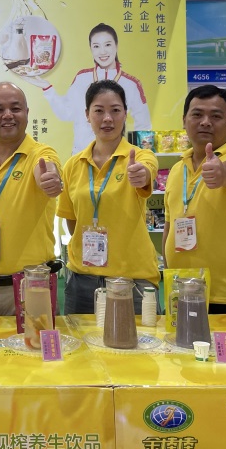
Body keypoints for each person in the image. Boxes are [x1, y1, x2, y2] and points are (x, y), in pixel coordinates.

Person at [0, 82, 63, 316]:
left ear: (27, 113)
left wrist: (50, 179)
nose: (7, 115)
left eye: (15, 108)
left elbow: (48, 169)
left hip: (30, 287)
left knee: (35, 341)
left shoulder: (41, 154)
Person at [58, 80, 158, 314]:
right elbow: (71, 220)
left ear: (125, 113)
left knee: (136, 339)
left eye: (115, 110)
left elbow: (147, 170)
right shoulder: (73, 165)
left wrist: (141, 174)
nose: (107, 119)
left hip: (131, 279)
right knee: (81, 338)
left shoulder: (140, 157)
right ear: (87, 115)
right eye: (99, 111)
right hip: (82, 280)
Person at [163, 85, 226, 313]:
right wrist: (168, 277)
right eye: (197, 114)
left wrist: (222, 172)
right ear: (184, 121)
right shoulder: (177, 169)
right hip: (180, 292)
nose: (206, 122)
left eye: (216, 116)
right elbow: (169, 226)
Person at [27, 23, 151, 154]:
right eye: (96, 46)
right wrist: (47, 88)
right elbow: (66, 113)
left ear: (116, 45)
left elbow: (143, 125)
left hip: (118, 157)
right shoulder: (82, 78)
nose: (102, 51)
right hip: (81, 156)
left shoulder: (131, 84)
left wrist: (140, 157)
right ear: (91, 48)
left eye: (108, 45)